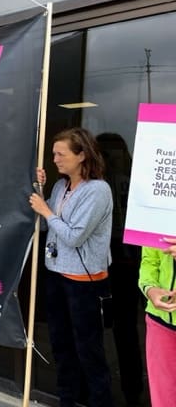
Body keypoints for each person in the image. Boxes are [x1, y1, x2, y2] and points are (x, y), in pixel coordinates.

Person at [29, 127, 114, 407]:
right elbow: (49, 225)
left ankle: (99, 402)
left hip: (84, 281)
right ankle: (68, 399)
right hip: (56, 275)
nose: (54, 159)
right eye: (54, 153)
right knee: (61, 344)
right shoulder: (60, 186)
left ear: (81, 155)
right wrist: (40, 191)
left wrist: (46, 211)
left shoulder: (98, 190)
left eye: (60, 153)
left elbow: (74, 235)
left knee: (88, 350)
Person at [97, 133, 143, 406]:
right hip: (103, 263)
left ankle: (133, 390)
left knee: (126, 331)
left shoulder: (137, 182)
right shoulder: (96, 185)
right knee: (100, 329)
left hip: (131, 262)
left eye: (115, 153)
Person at [138, 239, 176, 407]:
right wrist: (149, 288)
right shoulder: (162, 213)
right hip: (160, 321)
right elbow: (149, 260)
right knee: (163, 399)